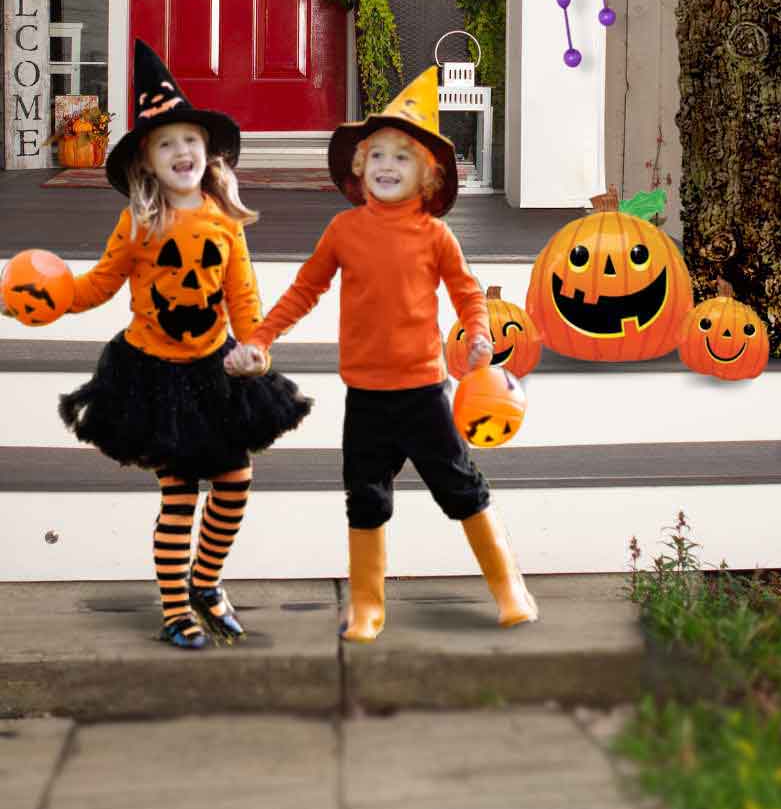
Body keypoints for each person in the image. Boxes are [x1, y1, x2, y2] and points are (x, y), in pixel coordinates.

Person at [226, 68, 538, 641]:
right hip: (366, 398)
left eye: (402, 156)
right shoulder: (344, 230)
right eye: (378, 156)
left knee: (461, 488)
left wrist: (478, 331)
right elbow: (304, 290)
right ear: (359, 166)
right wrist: (260, 338)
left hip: (425, 396)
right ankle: (368, 605)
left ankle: (508, 586)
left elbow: (467, 292)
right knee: (365, 499)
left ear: (427, 174)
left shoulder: (437, 237)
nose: (388, 166)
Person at [53, 41, 311, 648]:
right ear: (147, 160)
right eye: (166, 143)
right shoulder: (139, 221)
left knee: (235, 481)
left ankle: (206, 580)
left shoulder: (224, 218)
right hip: (154, 375)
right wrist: (50, 300)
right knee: (178, 496)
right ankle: (175, 608)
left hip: (213, 370)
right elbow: (98, 285)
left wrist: (257, 351)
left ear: (209, 151)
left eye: (190, 140)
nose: (182, 151)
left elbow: (244, 301)